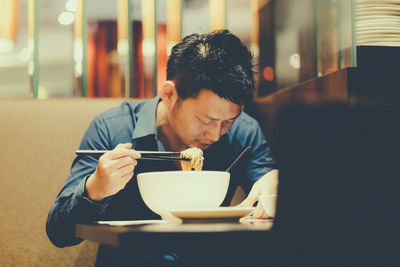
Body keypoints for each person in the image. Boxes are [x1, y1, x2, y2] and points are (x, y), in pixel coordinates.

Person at [46, 29, 279, 266]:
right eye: (205, 120)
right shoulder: (113, 130)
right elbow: (58, 233)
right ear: (169, 94)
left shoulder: (245, 133)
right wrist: (95, 189)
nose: (215, 135)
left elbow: (275, 201)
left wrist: (275, 187)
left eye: (228, 121)